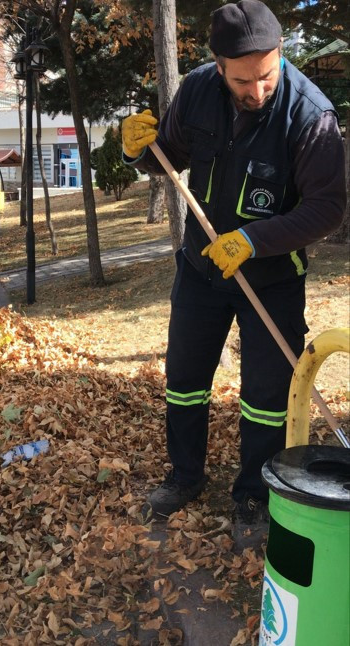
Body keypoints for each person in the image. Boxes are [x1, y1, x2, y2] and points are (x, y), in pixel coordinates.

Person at [122, 0, 345, 549]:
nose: (258, 90)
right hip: (201, 268)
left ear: (281, 57)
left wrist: (253, 240)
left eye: (267, 75)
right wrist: (139, 152)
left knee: (267, 394)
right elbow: (166, 156)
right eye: (243, 79)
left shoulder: (309, 115)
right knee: (185, 379)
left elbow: (328, 207)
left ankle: (253, 494)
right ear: (219, 66)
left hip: (271, 277)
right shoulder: (197, 91)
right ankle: (185, 476)